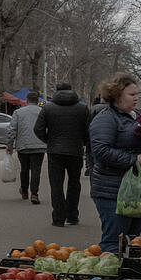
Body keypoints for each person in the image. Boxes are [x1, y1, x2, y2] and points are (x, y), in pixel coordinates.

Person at [89, 73, 141, 252]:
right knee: (114, 241)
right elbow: (100, 151)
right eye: (131, 94)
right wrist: (136, 159)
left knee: (133, 241)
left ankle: (125, 276)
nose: (136, 98)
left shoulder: (137, 116)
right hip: (112, 190)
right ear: (117, 95)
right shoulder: (106, 118)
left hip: (137, 189)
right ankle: (109, 279)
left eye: (137, 94)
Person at [34, 82, 89, 227]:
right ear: (71, 90)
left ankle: (58, 218)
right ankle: (72, 215)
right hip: (75, 150)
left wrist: (49, 140)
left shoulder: (47, 108)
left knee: (56, 185)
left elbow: (38, 129)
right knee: (74, 183)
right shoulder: (82, 108)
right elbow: (89, 130)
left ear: (57, 91)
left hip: (55, 152)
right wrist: (82, 142)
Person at [7, 91, 46, 204]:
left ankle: (24, 191)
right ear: (38, 101)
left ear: (27, 100)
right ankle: (34, 194)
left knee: (24, 169)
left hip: (23, 146)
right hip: (39, 145)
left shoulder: (18, 112)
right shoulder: (42, 112)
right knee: (36, 170)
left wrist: (9, 145)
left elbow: (12, 130)